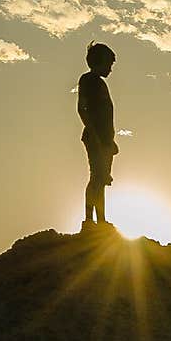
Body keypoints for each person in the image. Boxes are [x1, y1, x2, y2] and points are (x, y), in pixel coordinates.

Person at [77, 41, 119, 230]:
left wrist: (110, 141)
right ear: (99, 62)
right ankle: (89, 220)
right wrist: (93, 132)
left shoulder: (100, 83)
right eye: (108, 64)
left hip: (105, 139)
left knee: (101, 179)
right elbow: (82, 108)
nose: (110, 69)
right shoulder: (88, 80)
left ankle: (100, 220)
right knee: (96, 177)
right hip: (95, 137)